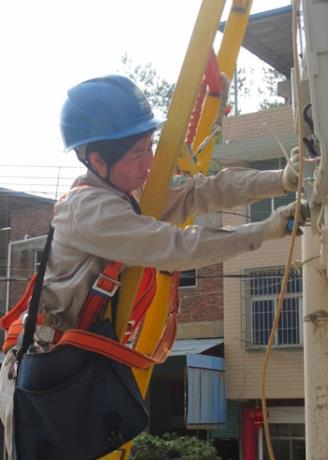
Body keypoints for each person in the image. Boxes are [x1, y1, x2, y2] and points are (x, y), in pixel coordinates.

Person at [0, 75, 303, 458]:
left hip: (83, 361)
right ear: (97, 160)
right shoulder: (91, 211)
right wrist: (266, 229)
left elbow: (203, 192)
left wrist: (281, 180)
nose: (150, 163)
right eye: (138, 154)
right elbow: (176, 245)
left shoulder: (128, 192)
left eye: (150, 147)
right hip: (54, 372)